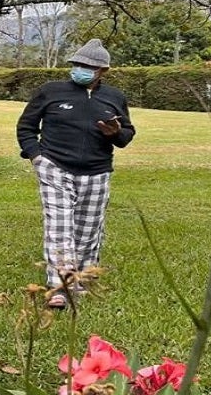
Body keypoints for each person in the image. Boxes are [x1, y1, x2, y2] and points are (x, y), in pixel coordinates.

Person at [16, 39, 136, 310]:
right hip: (55, 167)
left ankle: (81, 279)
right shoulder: (50, 91)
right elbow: (26, 127)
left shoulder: (114, 98)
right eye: (77, 64)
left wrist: (115, 133)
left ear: (103, 71)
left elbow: (127, 136)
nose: (80, 69)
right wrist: (37, 156)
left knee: (87, 231)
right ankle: (60, 287)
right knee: (60, 227)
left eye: (88, 66)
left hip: (97, 172)